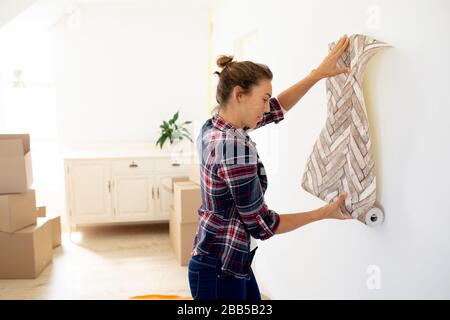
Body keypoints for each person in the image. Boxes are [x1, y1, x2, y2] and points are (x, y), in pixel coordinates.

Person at [188, 35, 353, 300]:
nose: (267, 108)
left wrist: (317, 74)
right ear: (239, 95)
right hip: (219, 270)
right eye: (263, 99)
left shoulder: (215, 125)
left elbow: (276, 109)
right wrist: (323, 213)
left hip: (226, 259)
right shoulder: (233, 148)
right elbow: (262, 225)